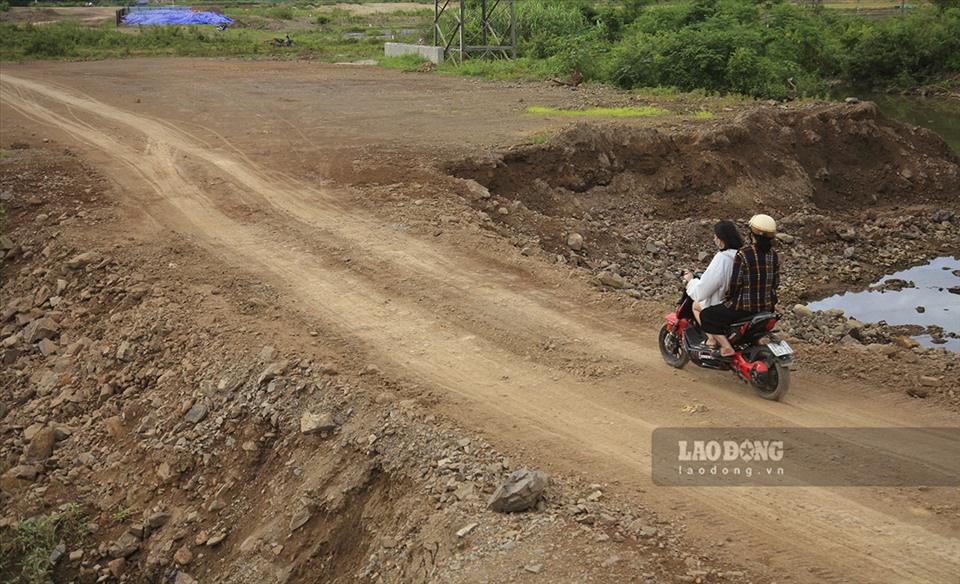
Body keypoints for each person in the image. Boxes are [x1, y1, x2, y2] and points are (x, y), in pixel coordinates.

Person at [700, 214, 780, 358]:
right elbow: (775, 282)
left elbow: (736, 283)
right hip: (767, 307)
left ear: (752, 234)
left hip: (744, 307)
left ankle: (726, 347)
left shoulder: (744, 254)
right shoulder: (773, 255)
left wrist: (728, 296)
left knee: (707, 315)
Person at [682, 220, 743, 331]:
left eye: (715, 237)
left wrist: (691, 281)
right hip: (737, 303)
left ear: (721, 239)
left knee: (696, 306)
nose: (714, 240)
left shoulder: (722, 258)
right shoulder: (741, 254)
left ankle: (711, 338)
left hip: (721, 304)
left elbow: (703, 290)